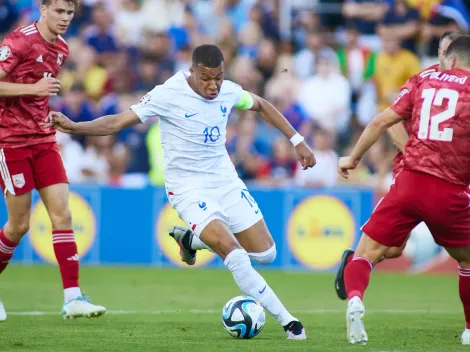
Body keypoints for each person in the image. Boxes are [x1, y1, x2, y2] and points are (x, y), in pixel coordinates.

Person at [43, 44, 316, 339]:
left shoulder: (228, 90)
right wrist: (74, 126)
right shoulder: (168, 93)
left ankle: (192, 241)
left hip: (225, 180)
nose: (213, 85)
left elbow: (261, 104)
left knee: (266, 254)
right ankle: (290, 322)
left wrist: (297, 139)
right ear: (193, 71)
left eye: (219, 78)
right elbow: (118, 121)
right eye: (206, 78)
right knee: (234, 253)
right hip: (188, 187)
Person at [337, 34, 470, 345]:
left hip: (408, 180)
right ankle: (469, 329)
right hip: (447, 188)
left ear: (449, 58)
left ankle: (355, 298)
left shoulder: (423, 80)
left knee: (369, 252)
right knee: (467, 261)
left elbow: (381, 121)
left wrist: (353, 158)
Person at [0, 0, 105, 321]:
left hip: (44, 140)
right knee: (19, 226)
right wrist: (33, 87)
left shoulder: (61, 48)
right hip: (11, 142)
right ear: (43, 9)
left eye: (70, 13)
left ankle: (73, 297)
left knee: (63, 214)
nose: (65, 19)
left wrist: (49, 113)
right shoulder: (17, 41)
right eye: (59, 11)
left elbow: (38, 97)